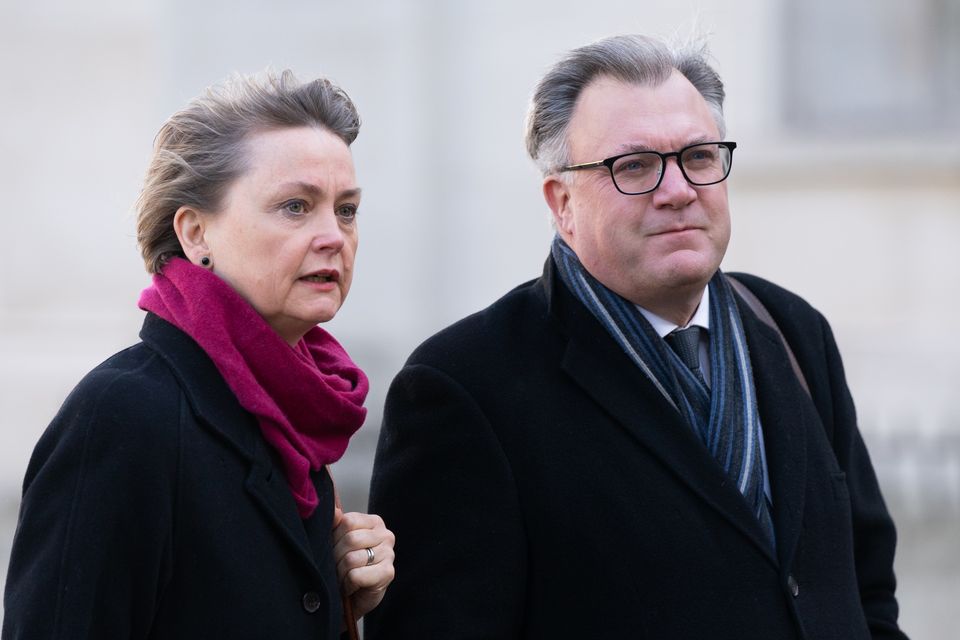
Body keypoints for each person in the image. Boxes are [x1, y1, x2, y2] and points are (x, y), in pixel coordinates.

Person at [366, 34, 908, 639]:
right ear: (561, 201)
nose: (677, 190)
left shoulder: (790, 329)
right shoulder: (465, 386)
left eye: (699, 156)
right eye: (635, 166)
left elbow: (867, 592)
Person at [3, 70, 395, 639]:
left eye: (347, 209)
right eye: (294, 206)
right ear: (194, 233)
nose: (333, 235)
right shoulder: (124, 414)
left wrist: (338, 597)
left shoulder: (297, 410)